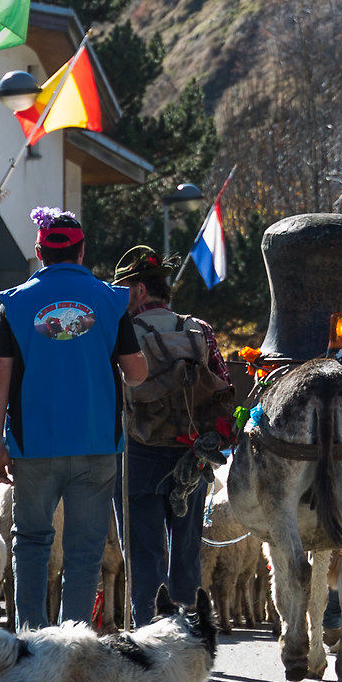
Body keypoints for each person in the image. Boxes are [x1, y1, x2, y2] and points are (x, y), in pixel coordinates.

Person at [0, 209, 139, 630]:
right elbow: (137, 371)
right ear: (82, 250)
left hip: (33, 447)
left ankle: (32, 639)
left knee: (32, 543)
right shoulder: (111, 300)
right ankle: (73, 644)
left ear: (39, 252)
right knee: (86, 551)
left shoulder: (14, 303)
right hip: (96, 445)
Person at [115, 247, 232, 626]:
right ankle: (186, 631)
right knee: (186, 550)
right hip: (192, 455)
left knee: (143, 550)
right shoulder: (200, 330)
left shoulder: (123, 332)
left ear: (138, 292)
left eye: (124, 289)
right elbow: (224, 387)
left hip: (139, 453)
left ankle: (148, 629)